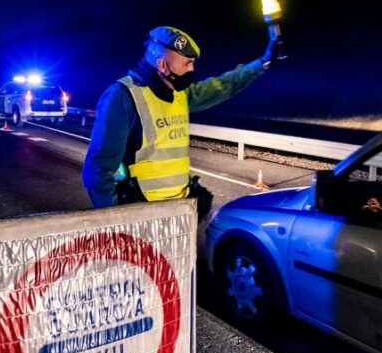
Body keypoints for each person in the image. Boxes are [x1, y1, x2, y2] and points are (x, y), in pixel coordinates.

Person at [81, 25, 281, 219]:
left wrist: (262, 63)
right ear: (162, 65)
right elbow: (98, 169)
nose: (192, 69)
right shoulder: (122, 97)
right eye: (187, 64)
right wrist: (118, 220)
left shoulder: (180, 94)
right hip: (141, 217)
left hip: (180, 214)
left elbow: (224, 85)